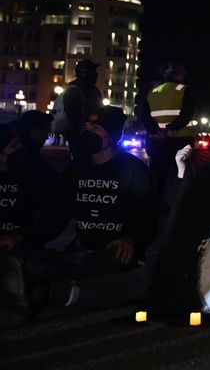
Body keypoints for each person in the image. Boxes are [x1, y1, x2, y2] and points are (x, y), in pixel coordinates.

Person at [0, 106, 156, 317]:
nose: (88, 132)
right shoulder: (76, 169)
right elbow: (56, 216)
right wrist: (22, 237)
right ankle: (60, 283)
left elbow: (147, 219)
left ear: (111, 136)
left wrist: (130, 238)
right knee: (21, 254)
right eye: (86, 127)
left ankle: (54, 289)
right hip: (79, 253)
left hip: (116, 255)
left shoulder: (134, 170)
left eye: (96, 128)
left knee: (137, 276)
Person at [137, 61, 198, 207]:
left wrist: (155, 131)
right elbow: (186, 115)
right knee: (181, 177)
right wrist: (171, 129)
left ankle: (154, 206)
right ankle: (179, 208)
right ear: (180, 75)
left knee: (157, 176)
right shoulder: (186, 90)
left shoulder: (153, 93)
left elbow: (144, 116)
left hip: (156, 142)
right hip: (181, 141)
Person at [0, 111, 59, 237]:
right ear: (36, 132)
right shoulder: (28, 158)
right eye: (46, 132)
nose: (47, 138)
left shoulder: (29, 154)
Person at [59, 60, 104, 159]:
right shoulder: (74, 91)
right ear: (84, 73)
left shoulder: (93, 90)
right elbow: (73, 119)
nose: (95, 74)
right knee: (81, 163)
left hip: (92, 137)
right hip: (80, 138)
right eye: (92, 71)